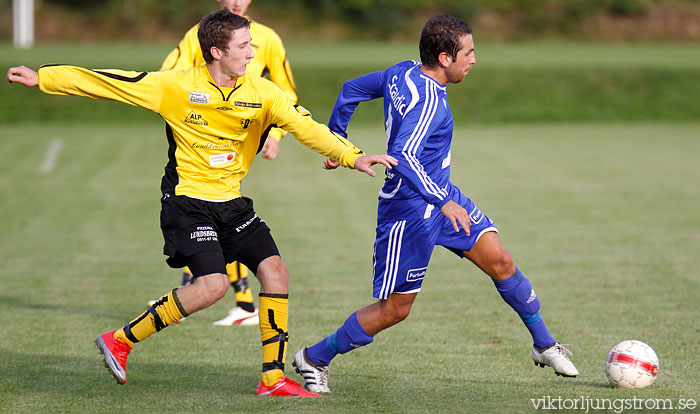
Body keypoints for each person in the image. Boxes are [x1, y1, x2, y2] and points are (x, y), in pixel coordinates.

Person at [7, 10, 396, 397]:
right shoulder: (175, 87)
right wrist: (44, 77)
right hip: (187, 201)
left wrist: (352, 156)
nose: (251, 54)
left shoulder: (261, 92)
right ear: (215, 52)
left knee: (276, 272)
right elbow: (111, 82)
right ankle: (120, 340)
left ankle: (272, 379)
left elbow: (307, 127)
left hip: (231, 201)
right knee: (212, 286)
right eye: (243, 47)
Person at [292, 14, 578, 394]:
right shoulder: (427, 102)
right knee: (395, 311)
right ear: (444, 58)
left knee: (501, 261)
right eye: (469, 53)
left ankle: (544, 345)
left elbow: (351, 89)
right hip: (409, 211)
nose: (474, 60)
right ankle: (314, 357)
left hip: (441, 198)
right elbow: (404, 156)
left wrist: (338, 139)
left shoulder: (403, 71)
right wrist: (441, 200)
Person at [160, 0, 299, 327]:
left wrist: (274, 136)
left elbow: (287, 94)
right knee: (215, 211)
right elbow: (167, 77)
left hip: (243, 143)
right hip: (205, 143)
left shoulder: (269, 39)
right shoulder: (199, 36)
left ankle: (230, 296)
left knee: (223, 213)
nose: (237, 2)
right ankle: (235, 297)